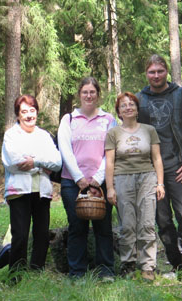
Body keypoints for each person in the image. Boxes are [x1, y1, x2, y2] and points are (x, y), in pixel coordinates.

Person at [137, 54, 182, 279]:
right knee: (162, 219)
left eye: (160, 71)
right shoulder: (139, 99)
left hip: (178, 166)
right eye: (152, 72)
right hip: (152, 171)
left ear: (166, 72)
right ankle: (177, 264)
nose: (156, 75)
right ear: (146, 74)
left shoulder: (181, 95)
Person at [57, 77, 116, 280]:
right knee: (77, 227)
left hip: (102, 181)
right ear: (79, 95)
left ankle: (106, 270)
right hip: (72, 182)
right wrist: (79, 178)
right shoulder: (69, 119)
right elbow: (65, 149)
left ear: (98, 95)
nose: (89, 96)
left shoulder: (108, 119)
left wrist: (97, 179)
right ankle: (77, 272)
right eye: (85, 92)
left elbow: (111, 151)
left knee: (103, 227)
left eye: (92, 92)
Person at [105, 92, 165, 281]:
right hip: (122, 179)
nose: (128, 107)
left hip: (147, 178)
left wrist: (160, 183)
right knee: (127, 225)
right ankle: (128, 265)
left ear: (137, 109)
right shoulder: (113, 133)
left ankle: (148, 266)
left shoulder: (149, 130)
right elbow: (109, 163)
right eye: (123, 105)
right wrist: (110, 188)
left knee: (147, 223)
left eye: (131, 104)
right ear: (119, 112)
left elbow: (156, 158)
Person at [2, 94, 62, 273]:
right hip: (19, 191)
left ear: (37, 112)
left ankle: (37, 272)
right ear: (18, 115)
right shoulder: (11, 135)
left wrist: (35, 161)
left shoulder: (44, 136)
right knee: (20, 236)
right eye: (24, 111)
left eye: (32, 110)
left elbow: (57, 162)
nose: (29, 115)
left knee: (42, 235)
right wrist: (43, 165)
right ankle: (17, 275)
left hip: (42, 192)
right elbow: (13, 162)